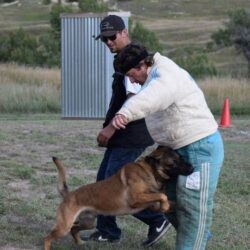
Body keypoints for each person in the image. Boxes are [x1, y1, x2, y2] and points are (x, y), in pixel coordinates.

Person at [110, 43, 224, 250]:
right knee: (167, 203)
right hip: (176, 150)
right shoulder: (154, 75)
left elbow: (152, 97)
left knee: (192, 210)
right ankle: (199, 235)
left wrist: (125, 112)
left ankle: (195, 237)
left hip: (200, 148)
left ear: (142, 65)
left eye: (131, 74)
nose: (131, 80)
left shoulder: (165, 75)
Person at [86, 15, 171, 247]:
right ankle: (107, 230)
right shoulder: (124, 60)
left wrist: (110, 129)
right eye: (104, 40)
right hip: (122, 135)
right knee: (103, 181)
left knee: (115, 187)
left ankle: (157, 219)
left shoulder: (134, 62)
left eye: (112, 37)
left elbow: (136, 100)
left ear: (124, 32)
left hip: (130, 135)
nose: (109, 43)